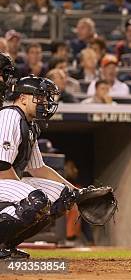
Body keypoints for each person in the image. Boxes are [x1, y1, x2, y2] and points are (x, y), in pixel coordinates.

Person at [0, 76, 80, 259]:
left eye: (46, 98)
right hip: (1, 176)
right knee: (37, 200)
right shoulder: (9, 115)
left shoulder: (30, 125)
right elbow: (1, 165)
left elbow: (38, 168)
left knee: (64, 197)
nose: (45, 102)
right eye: (40, 96)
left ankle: (6, 245)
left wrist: (77, 192)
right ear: (22, 98)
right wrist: (29, 194)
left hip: (5, 181)